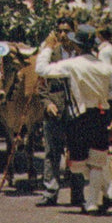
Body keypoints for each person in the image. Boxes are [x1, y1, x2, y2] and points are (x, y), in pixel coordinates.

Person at [35, 24, 112, 215]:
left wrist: (47, 48)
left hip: (79, 116)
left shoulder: (73, 64)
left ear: (77, 46)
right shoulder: (106, 67)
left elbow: (42, 69)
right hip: (101, 115)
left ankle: (93, 203)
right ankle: (107, 192)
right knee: (96, 160)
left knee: (80, 163)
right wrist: (103, 95)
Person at [35, 17, 82, 207]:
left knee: (77, 153)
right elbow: (41, 86)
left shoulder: (81, 55)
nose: (63, 34)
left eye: (67, 30)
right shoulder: (50, 55)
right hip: (54, 111)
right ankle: (50, 191)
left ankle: (77, 194)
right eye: (60, 30)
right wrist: (47, 103)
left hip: (77, 110)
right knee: (52, 153)